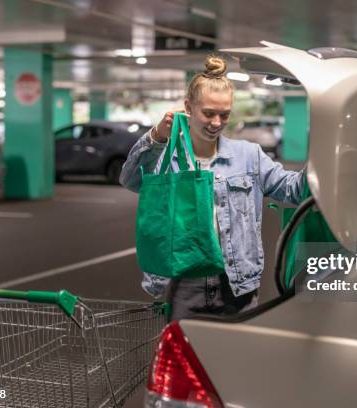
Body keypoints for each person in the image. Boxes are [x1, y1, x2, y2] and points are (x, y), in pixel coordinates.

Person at [120, 55, 305, 320]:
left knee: (235, 361)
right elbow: (130, 180)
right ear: (188, 107)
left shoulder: (248, 156)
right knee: (186, 359)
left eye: (224, 114)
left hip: (237, 283)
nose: (216, 123)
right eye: (208, 113)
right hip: (182, 283)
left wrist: (325, 154)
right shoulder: (166, 157)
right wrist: (156, 137)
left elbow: (294, 190)